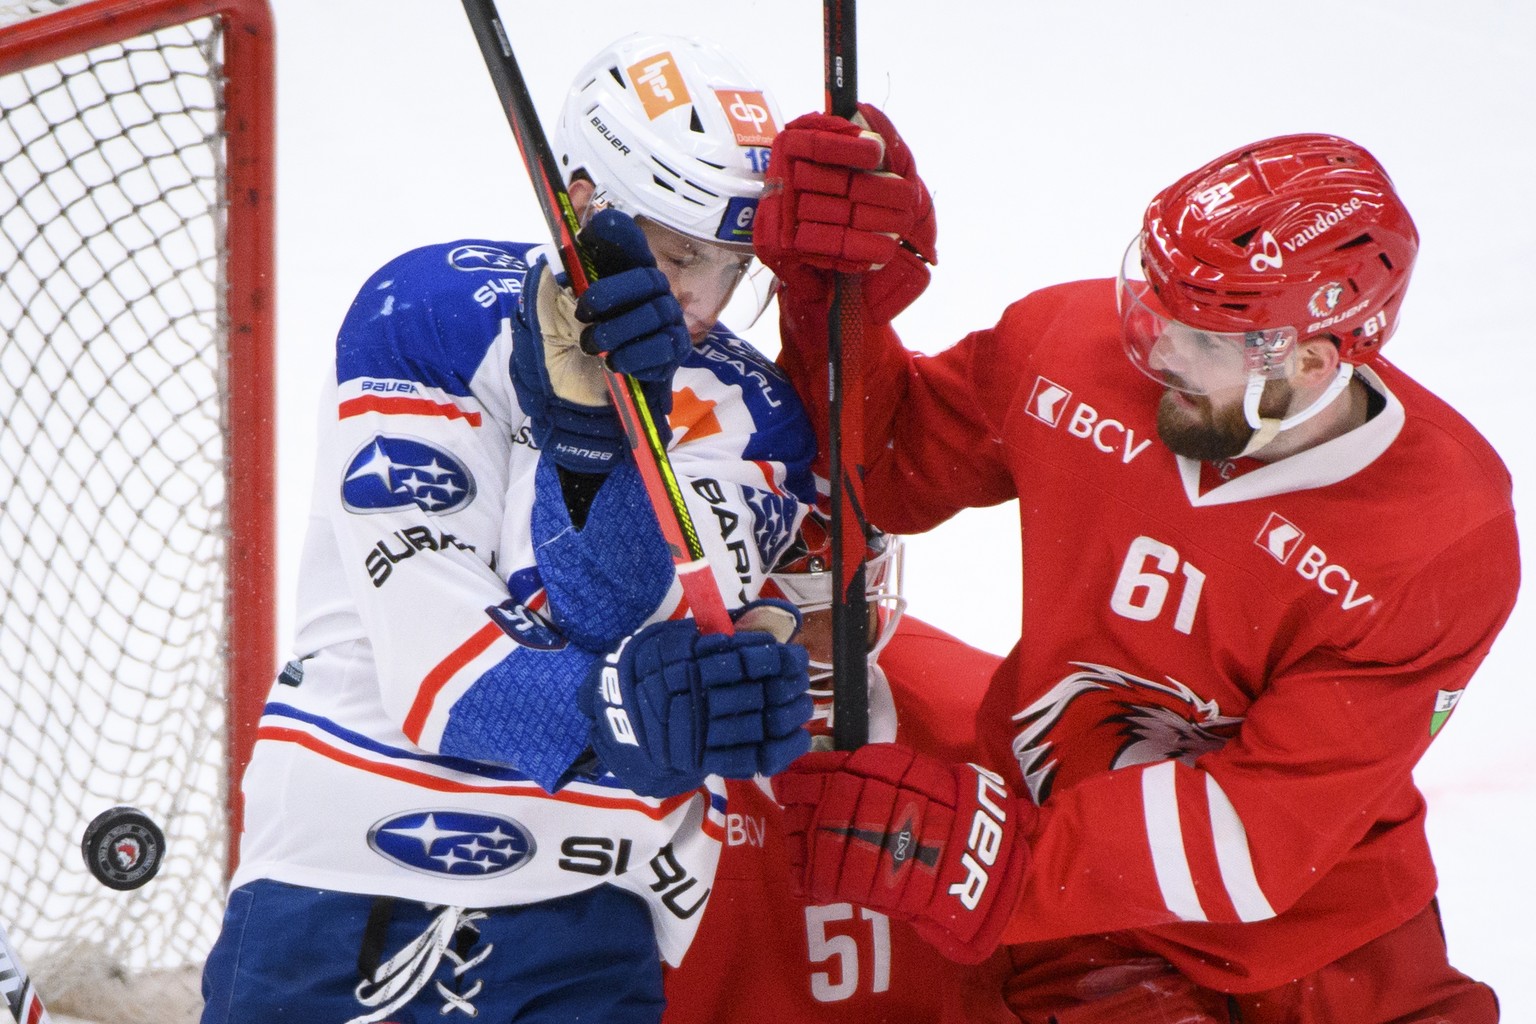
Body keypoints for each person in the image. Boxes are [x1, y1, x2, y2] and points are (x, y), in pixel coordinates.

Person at [755, 114, 1519, 1023]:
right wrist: (836, 308)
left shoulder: (1440, 531)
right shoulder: (1069, 351)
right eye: (1153, 304)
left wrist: (993, 861)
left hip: (1327, 939)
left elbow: (1259, 833)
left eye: (1200, 338)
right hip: (1079, 921)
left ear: (1311, 361)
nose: (1155, 350)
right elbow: (888, 467)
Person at [200, 34, 819, 1023]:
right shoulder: (427, 311)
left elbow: (612, 612)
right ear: (580, 201)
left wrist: (605, 435)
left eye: (735, 267)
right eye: (676, 254)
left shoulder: (760, 410)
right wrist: (633, 707)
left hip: (588, 912)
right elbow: (446, 683)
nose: (705, 302)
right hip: (339, 884)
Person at [660, 509, 1017, 1023]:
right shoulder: (620, 747)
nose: (835, 650)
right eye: (800, 617)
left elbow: (1089, 968)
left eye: (852, 605)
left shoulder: (978, 715)